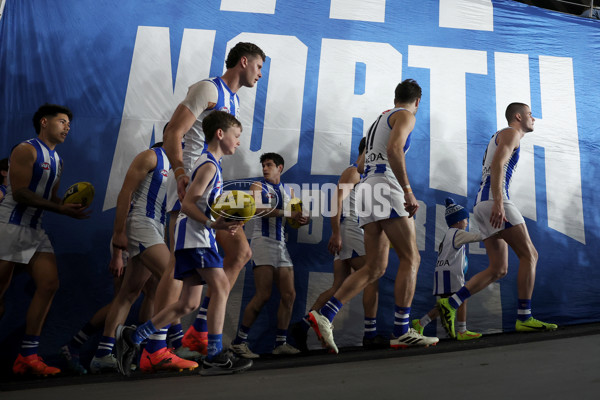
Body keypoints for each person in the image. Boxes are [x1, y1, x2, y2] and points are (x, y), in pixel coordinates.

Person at [116, 111, 253, 376]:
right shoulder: (209, 164)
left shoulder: (213, 164)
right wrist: (214, 224)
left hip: (195, 236)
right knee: (221, 286)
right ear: (220, 134)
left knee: (188, 304)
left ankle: (133, 337)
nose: (238, 142)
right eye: (236, 136)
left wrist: (223, 220)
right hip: (196, 237)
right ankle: (214, 356)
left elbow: (200, 205)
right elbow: (188, 204)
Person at [308, 80, 439, 353]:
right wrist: (407, 190)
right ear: (417, 102)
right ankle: (402, 331)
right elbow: (393, 151)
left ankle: (326, 314)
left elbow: (362, 163)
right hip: (385, 185)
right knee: (411, 257)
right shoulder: (405, 116)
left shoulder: (379, 119)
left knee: (376, 267)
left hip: (368, 186)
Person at [160, 42, 265, 356]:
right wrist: (180, 171)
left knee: (241, 252)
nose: (260, 74)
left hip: (209, 190)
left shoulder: (232, 100)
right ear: (243, 61)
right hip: (188, 186)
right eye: (258, 67)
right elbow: (173, 131)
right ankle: (155, 346)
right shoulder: (208, 88)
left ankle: (199, 330)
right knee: (174, 270)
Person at [438, 103, 557, 337]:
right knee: (530, 255)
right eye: (530, 114)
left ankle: (450, 303)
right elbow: (497, 165)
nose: (534, 119)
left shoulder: (503, 135)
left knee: (498, 268)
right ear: (518, 116)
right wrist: (500, 202)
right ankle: (525, 317)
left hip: (482, 202)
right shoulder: (511, 133)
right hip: (494, 200)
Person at [86, 141, 199, 374]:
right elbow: (125, 192)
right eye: (183, 140)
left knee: (129, 293)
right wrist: (118, 232)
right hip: (141, 223)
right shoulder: (151, 156)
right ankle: (171, 345)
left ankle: (103, 354)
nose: (187, 146)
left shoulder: (180, 169)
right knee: (172, 277)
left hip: (156, 225)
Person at [0, 104, 90, 375]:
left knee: (49, 284)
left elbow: (50, 200)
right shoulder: (25, 150)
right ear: (44, 122)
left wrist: (68, 207)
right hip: (10, 226)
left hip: (35, 229)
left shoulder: (58, 160)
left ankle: (27, 356)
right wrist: (59, 208)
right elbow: (21, 194)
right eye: (62, 122)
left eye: (69, 124)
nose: (67, 128)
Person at [290, 138, 387, 352]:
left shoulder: (364, 175)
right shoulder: (353, 172)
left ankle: (302, 325)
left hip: (349, 229)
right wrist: (335, 233)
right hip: (349, 228)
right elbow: (335, 202)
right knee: (372, 275)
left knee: (339, 286)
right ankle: (370, 334)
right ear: (368, 150)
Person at [230, 153, 309, 358]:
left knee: (289, 295)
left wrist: (302, 218)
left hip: (281, 244)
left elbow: (295, 216)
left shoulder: (289, 191)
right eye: (263, 165)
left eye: (269, 165)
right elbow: (256, 209)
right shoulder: (258, 186)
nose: (265, 168)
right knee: (263, 294)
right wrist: (287, 213)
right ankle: (239, 342)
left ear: (280, 168)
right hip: (262, 242)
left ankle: (280, 343)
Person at [59, 245, 158, 375]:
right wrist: (117, 253)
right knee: (124, 299)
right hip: (133, 242)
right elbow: (120, 226)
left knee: (146, 293)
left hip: (144, 240)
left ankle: (77, 344)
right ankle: (97, 351)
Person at [412, 197, 483, 341]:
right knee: (462, 297)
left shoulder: (448, 235)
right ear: (457, 221)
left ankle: (421, 323)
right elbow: (478, 237)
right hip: (451, 274)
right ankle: (462, 330)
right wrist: (494, 231)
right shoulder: (458, 233)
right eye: (465, 219)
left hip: (442, 273)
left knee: (446, 304)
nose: (467, 222)